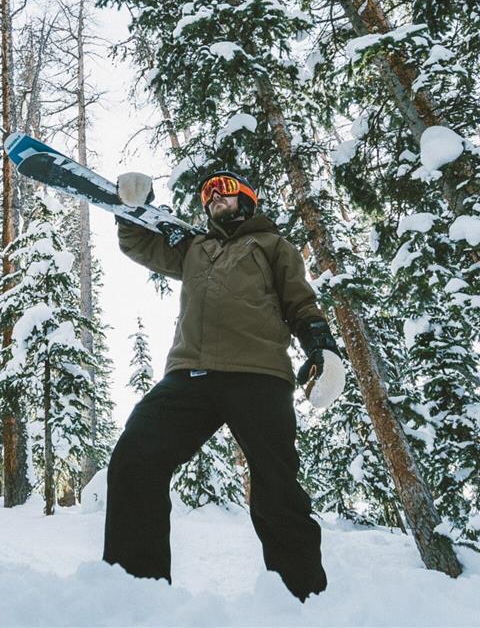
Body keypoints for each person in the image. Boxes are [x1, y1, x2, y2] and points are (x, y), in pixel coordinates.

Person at [102, 168, 340, 602]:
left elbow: (301, 303)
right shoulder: (195, 247)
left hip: (258, 374)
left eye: (224, 192)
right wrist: (132, 210)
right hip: (189, 374)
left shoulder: (273, 246)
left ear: (247, 200)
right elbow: (140, 246)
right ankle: (134, 595)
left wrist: (323, 350)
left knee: (276, 486)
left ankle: (303, 600)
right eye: (208, 195)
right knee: (135, 459)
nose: (214, 199)